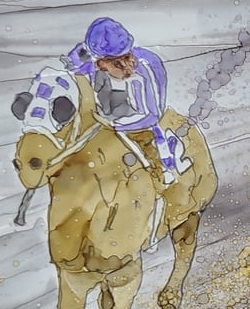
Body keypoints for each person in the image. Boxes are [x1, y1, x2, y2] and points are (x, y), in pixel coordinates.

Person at [64, 17, 188, 185]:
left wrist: (114, 126)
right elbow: (73, 67)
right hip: (109, 117)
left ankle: (168, 164)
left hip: (139, 121)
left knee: (151, 140)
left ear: (123, 61)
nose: (102, 71)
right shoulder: (97, 65)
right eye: (100, 67)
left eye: (110, 67)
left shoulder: (144, 69)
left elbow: (151, 115)